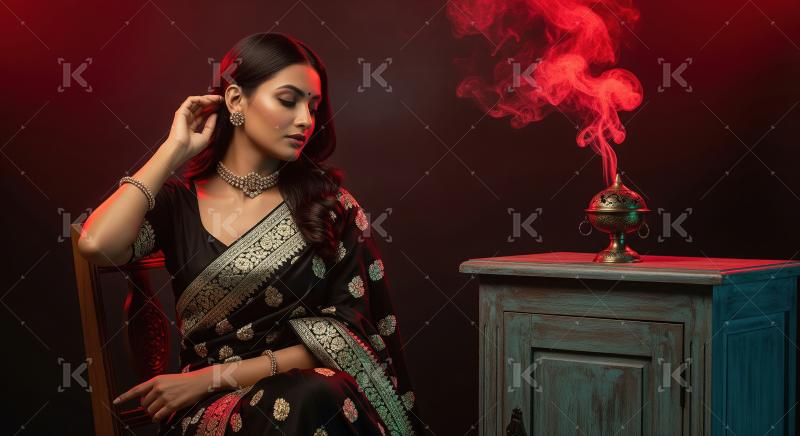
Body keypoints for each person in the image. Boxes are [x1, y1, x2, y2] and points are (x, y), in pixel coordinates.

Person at [78, 32, 424, 436]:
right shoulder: (177, 205)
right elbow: (97, 245)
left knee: (312, 394)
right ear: (236, 101)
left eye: (312, 107)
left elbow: (352, 335)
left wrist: (217, 375)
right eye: (288, 100)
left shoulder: (330, 207)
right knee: (310, 397)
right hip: (210, 412)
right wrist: (173, 149)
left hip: (304, 398)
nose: (305, 121)